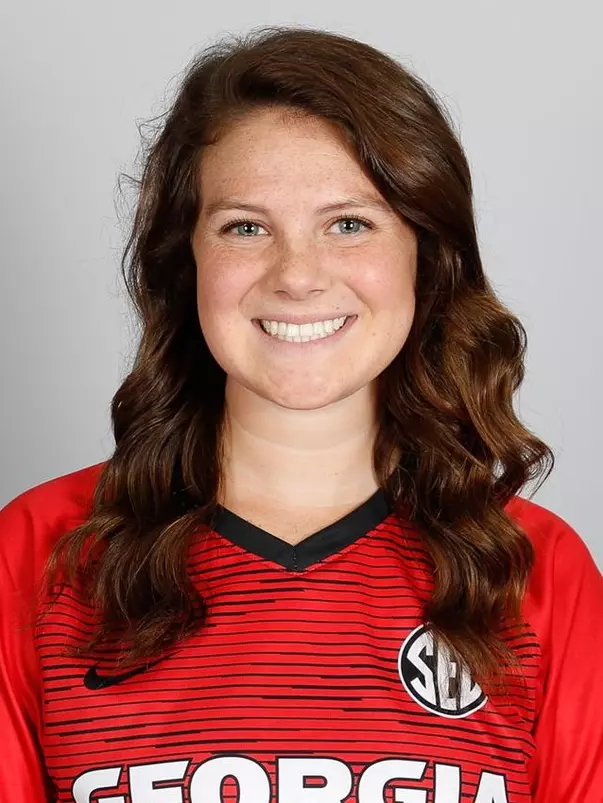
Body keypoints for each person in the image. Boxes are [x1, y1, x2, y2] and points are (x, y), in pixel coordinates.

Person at [1, 25, 601, 803]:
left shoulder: (535, 572)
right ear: (186, 261)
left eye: (348, 223)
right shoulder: (41, 550)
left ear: (426, 254)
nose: (297, 276)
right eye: (244, 227)